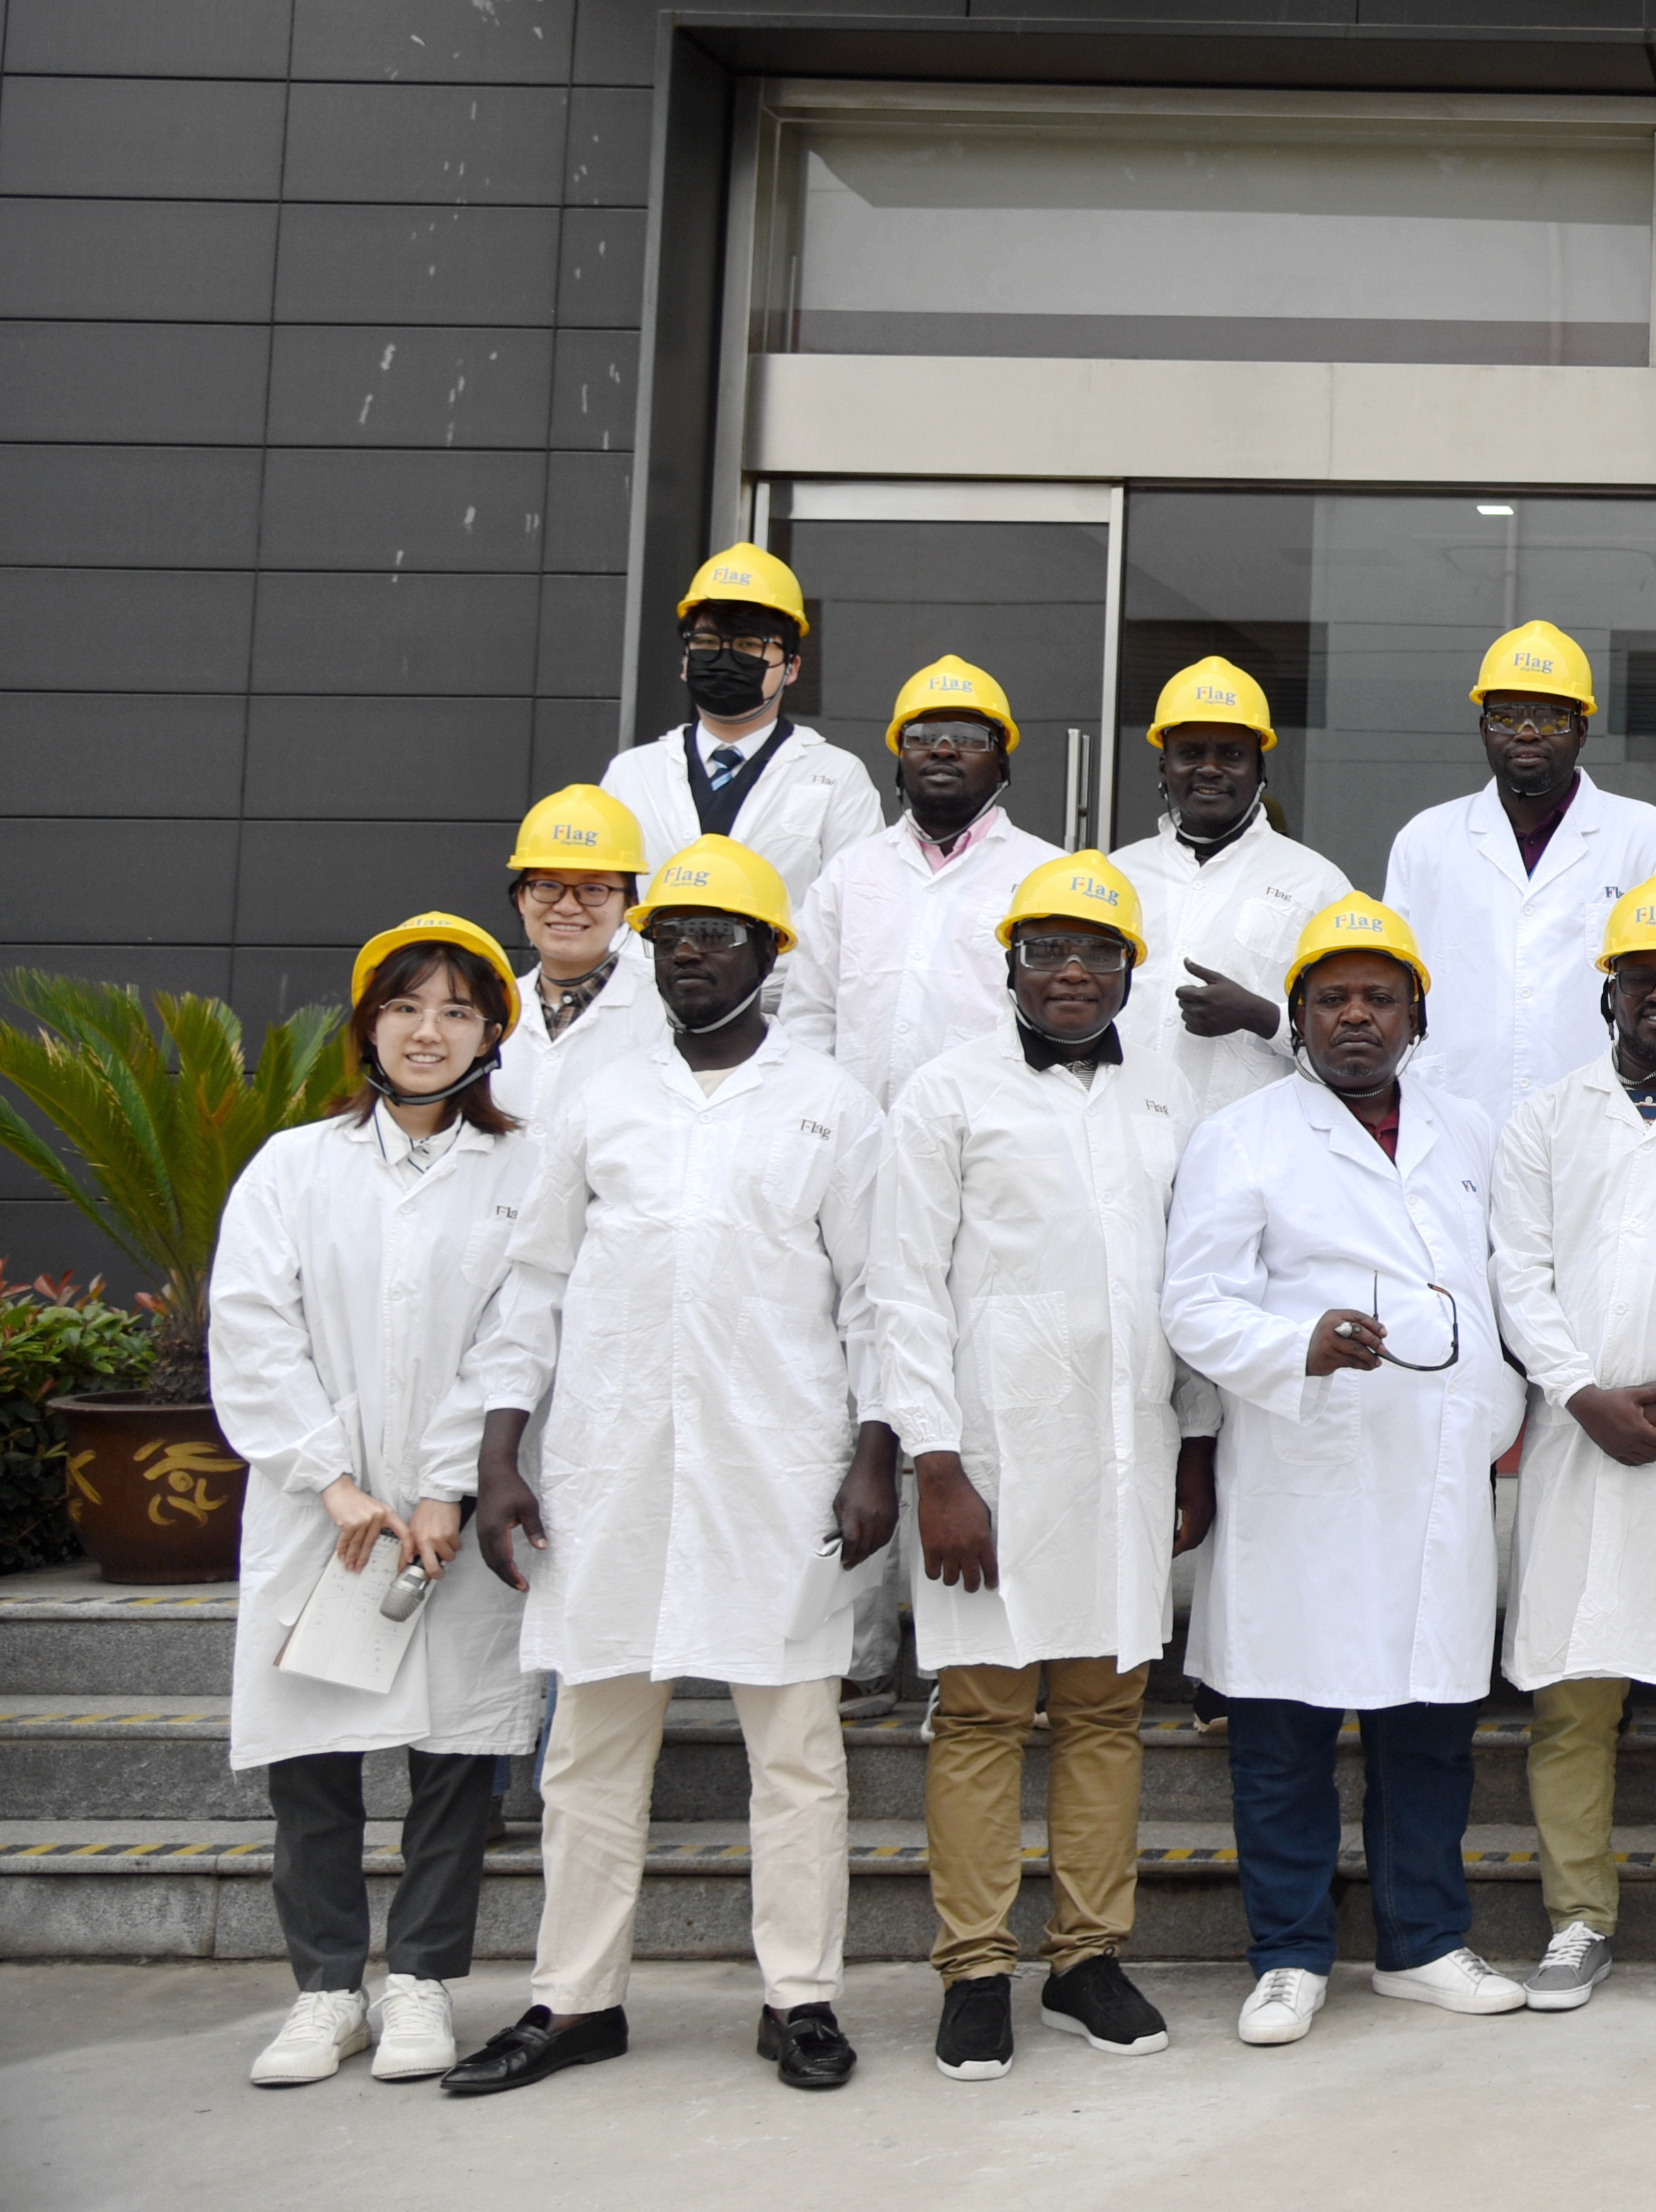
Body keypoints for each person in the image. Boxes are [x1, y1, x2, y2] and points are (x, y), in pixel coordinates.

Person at [441, 838, 899, 2100]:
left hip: (777, 1471)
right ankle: (575, 1998)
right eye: (673, 934)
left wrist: (876, 1459)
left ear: (771, 954)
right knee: (591, 1750)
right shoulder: (602, 1099)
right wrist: (499, 1454)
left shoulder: (832, 1104)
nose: (692, 952)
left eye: (720, 934)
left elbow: (877, 1299)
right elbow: (534, 1283)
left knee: (795, 1750)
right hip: (611, 1468)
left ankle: (799, 1998)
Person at [868, 850, 1216, 2082]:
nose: (1073, 971)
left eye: (1097, 952)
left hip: (1128, 1455)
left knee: (1107, 1716)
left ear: (1129, 970)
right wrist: (934, 1464)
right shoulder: (946, 1095)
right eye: (1048, 951)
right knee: (980, 1716)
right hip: (991, 1462)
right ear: (1009, 965)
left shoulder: (1168, 1098)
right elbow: (901, 1288)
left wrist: (1196, 1445)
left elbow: (1189, 1284)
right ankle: (974, 1968)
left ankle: (1084, 1957)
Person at [1160, 894, 1530, 2048]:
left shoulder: (1470, 1130)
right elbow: (1192, 1302)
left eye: (1379, 997)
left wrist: (1496, 1407)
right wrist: (1296, 1347)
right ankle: (1288, 1956)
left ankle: (1423, 1944)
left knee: (1430, 1730)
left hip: (1436, 1471)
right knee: (1284, 1732)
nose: (1355, 1017)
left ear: (1418, 1015)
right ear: (1301, 1016)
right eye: (1331, 999)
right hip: (1303, 1471)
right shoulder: (1242, 1137)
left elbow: (1501, 1281)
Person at [211, 914, 543, 2089]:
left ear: (491, 1035)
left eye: (457, 1010)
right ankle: (324, 1992)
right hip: (322, 1515)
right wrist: (332, 1478)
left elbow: (520, 1331)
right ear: (367, 1026)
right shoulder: (294, 1167)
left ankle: (422, 1981)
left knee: (454, 1759)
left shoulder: (523, 1172)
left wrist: (448, 1484)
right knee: (313, 1761)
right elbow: (252, 1326)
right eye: (405, 1007)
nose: (428, 1031)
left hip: (453, 1519)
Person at [1493, 876, 1656, 2026]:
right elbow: (1517, 1272)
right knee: (1572, 1704)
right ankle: (1579, 1921)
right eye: (1641, 977)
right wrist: (1578, 1392)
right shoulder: (1545, 1117)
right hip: (1577, 1444)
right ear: (1607, 991)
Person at [1379, 619, 1656, 1128]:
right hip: (1452, 1111)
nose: (1526, 732)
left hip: (1596, 1117)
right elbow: (1392, 985)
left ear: (1582, 730)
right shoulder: (1426, 839)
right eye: (1506, 717)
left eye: (1549, 718)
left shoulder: (1644, 836)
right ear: (1483, 729)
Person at [798, 656, 1062, 1111]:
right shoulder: (849, 872)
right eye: (921, 736)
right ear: (900, 758)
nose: (943, 749)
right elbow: (809, 1015)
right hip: (859, 1129)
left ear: (1002, 762)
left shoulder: (1049, 876)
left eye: (968, 737)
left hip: (993, 1129)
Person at [1112, 656, 1351, 1128]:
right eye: (1190, 753)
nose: (1210, 769)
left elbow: (1353, 1032)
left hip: (1250, 1145)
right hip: (1121, 1136)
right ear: (1164, 766)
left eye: (1231, 754)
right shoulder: (1118, 877)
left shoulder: (1317, 884)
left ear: (1260, 768)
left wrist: (1261, 1016)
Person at [595, 542, 882, 908]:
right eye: (706, 642)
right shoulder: (631, 774)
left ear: (792, 668)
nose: (724, 658)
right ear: (685, 661)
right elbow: (599, 900)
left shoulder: (838, 776)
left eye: (748, 645)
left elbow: (859, 909)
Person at [495, 785, 658, 1123]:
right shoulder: (491, 1007)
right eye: (548, 885)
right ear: (521, 899)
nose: (567, 906)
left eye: (593, 889)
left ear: (629, 904)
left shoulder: (661, 1013)